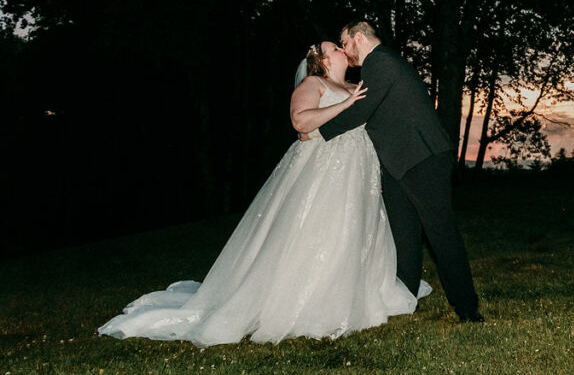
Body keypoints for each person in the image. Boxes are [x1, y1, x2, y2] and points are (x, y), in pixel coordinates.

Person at [98, 42, 429, 347]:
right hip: (324, 171)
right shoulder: (313, 85)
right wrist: (344, 105)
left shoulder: (356, 87)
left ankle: (359, 296)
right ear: (325, 60)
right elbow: (301, 121)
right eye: (335, 47)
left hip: (358, 171)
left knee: (357, 232)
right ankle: (314, 305)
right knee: (322, 233)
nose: (344, 49)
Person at [319, 20, 483, 322]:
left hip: (423, 158)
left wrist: (318, 132)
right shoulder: (379, 65)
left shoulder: (381, 62)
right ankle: (405, 300)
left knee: (440, 232)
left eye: (345, 44)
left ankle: (467, 307)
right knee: (404, 236)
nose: (344, 51)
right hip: (398, 163)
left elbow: (360, 113)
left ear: (358, 38)